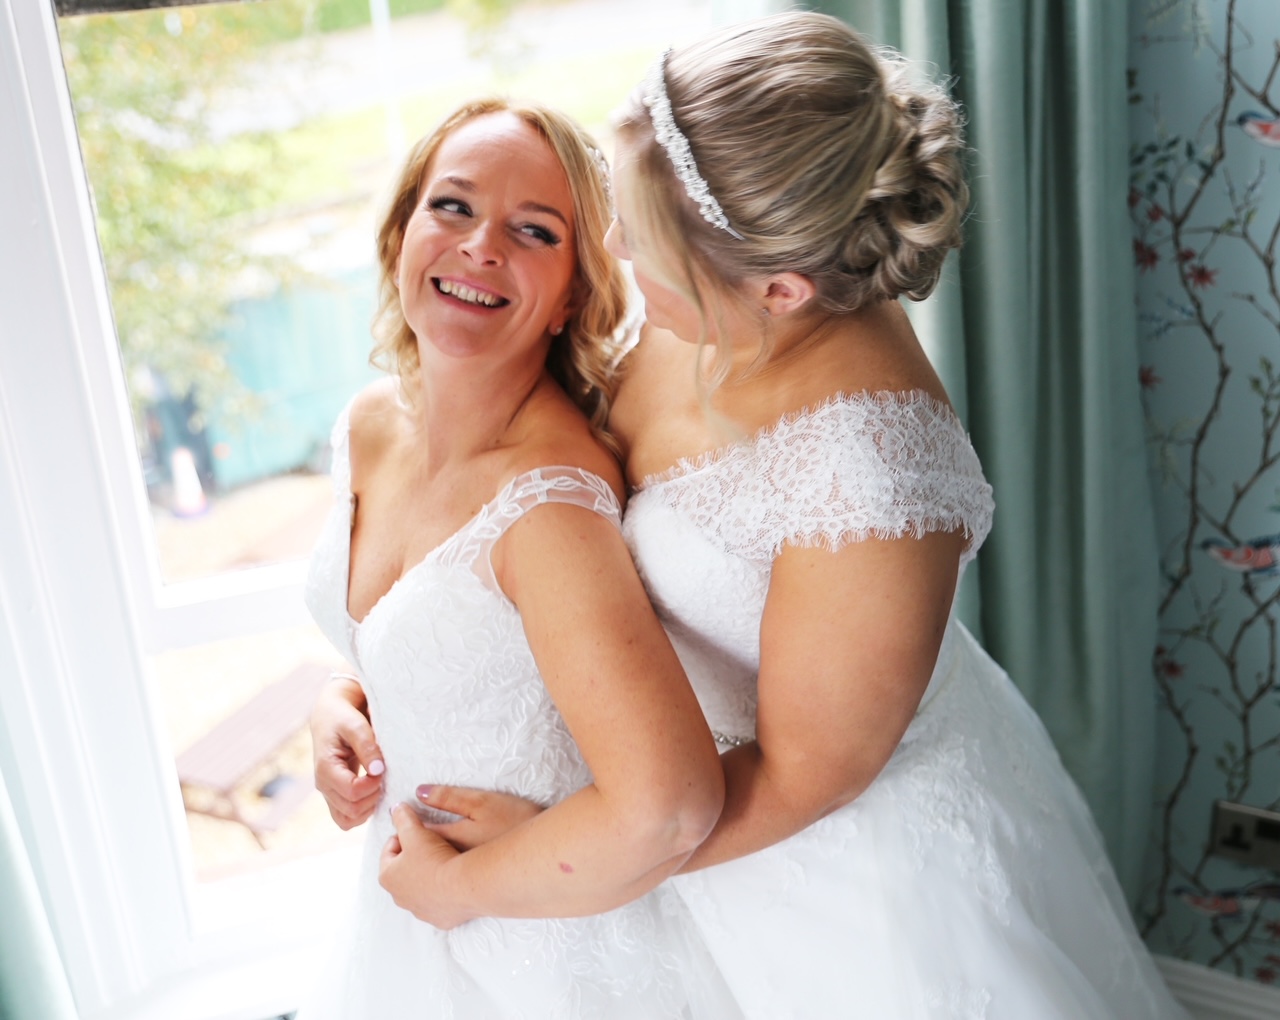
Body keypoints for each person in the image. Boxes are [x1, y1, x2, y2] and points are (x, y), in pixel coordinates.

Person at [314, 13, 1191, 1019]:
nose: (608, 255)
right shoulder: (693, 275)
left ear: (776, 288)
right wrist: (373, 678)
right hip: (647, 806)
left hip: (833, 870)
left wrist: (536, 853)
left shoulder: (873, 478)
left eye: (635, 243)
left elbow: (799, 777)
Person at [296, 96, 741, 1019]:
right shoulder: (371, 425)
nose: (479, 247)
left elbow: (669, 805)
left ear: (575, 290)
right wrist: (343, 701)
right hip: (409, 923)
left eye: (532, 231)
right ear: (402, 231)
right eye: (451, 206)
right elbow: (441, 638)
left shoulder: (549, 506)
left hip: (545, 954)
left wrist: (464, 889)